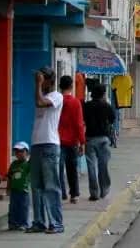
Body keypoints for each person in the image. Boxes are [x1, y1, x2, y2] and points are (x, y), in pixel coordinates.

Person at [27, 67, 64, 234]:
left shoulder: (57, 96)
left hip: (49, 145)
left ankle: (56, 223)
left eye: (42, 79)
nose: (39, 81)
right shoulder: (42, 95)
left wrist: (38, 84)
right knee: (36, 187)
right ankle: (39, 222)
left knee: (51, 186)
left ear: (49, 80)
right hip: (37, 144)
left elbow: (40, 102)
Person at [83, 84, 115, 201]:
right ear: (103, 94)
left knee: (91, 167)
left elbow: (83, 120)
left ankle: (94, 192)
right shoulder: (106, 106)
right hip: (103, 139)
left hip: (90, 138)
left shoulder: (86, 106)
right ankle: (104, 189)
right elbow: (112, 119)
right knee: (103, 165)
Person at [58, 75, 85, 204]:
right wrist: (82, 141)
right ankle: (74, 194)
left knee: (58, 167)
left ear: (59, 86)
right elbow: (79, 123)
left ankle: (61, 192)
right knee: (72, 169)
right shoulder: (75, 103)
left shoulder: (57, 101)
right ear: (71, 86)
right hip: (72, 140)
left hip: (57, 139)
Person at [7, 142, 31, 231]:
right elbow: (9, 177)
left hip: (24, 191)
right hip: (14, 190)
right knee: (13, 207)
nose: (19, 153)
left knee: (24, 208)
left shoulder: (28, 164)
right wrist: (8, 189)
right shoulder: (13, 164)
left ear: (27, 152)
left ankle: (24, 224)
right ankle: (12, 223)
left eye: (21, 151)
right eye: (16, 151)